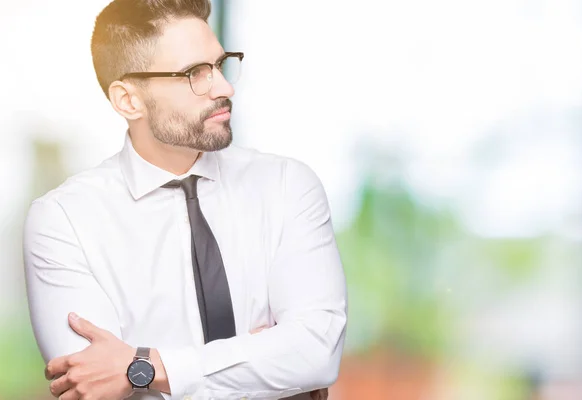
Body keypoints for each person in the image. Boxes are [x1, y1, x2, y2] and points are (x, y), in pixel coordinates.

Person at [22, 0, 347, 399]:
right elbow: (92, 386)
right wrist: (263, 367)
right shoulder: (64, 220)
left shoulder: (286, 186)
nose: (225, 88)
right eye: (195, 73)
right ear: (128, 100)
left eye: (220, 64)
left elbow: (315, 353)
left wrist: (142, 367)